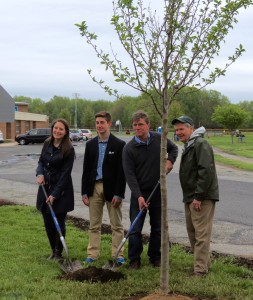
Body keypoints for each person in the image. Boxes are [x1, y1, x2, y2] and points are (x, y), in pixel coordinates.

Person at [122, 111, 178, 269]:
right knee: (135, 227)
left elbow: (174, 149)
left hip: (157, 191)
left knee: (158, 227)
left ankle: (155, 256)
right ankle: (134, 259)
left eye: (141, 124)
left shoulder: (159, 139)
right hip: (138, 193)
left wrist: (169, 161)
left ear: (148, 125)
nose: (137, 127)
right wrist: (139, 196)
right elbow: (130, 175)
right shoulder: (129, 149)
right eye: (135, 125)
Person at [172, 115, 219, 276]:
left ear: (191, 128)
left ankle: (200, 270)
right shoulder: (190, 144)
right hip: (190, 196)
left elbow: (206, 171)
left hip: (201, 197)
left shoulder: (200, 144)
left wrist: (199, 196)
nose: (178, 132)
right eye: (176, 130)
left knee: (200, 234)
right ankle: (204, 264)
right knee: (193, 232)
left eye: (181, 129)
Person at [81, 111, 126, 264]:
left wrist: (119, 193)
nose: (99, 125)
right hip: (94, 188)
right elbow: (86, 170)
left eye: (102, 122)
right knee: (94, 224)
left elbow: (122, 172)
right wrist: (84, 192)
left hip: (112, 190)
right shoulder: (90, 145)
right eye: (97, 123)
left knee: (116, 225)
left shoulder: (119, 145)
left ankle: (118, 255)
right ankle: (92, 254)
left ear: (109, 124)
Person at [36, 118, 75, 260]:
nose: (57, 131)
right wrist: (39, 173)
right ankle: (53, 250)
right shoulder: (47, 143)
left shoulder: (68, 149)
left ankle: (59, 252)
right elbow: (40, 161)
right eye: (55, 128)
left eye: (61, 129)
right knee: (47, 221)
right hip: (45, 187)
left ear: (65, 132)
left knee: (58, 221)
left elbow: (65, 175)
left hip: (61, 191)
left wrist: (55, 195)